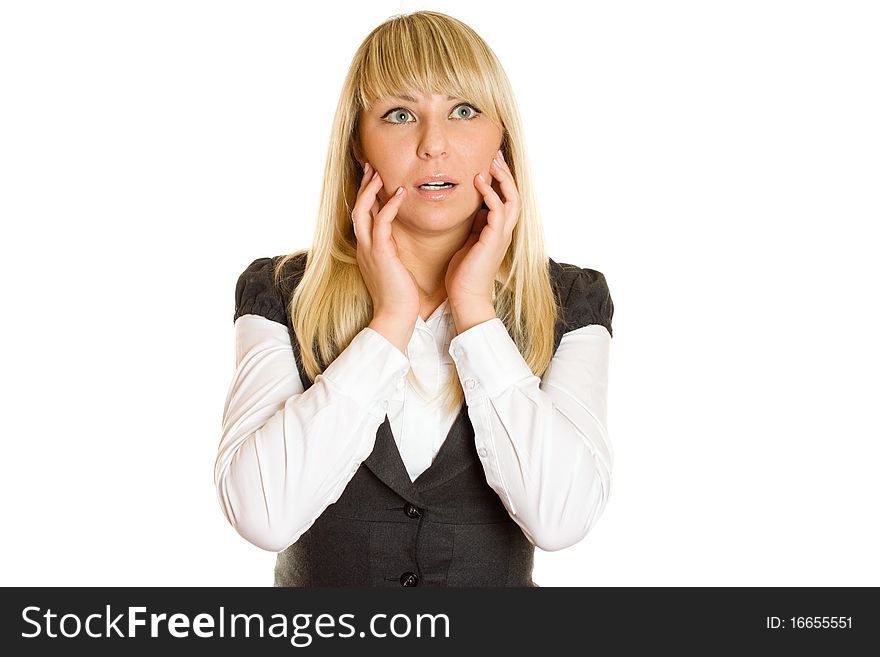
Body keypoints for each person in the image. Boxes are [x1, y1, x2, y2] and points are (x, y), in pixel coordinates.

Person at [214, 10, 614, 587]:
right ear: (358, 144)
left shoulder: (572, 299)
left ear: (502, 137)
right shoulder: (279, 291)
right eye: (400, 115)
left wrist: (475, 312)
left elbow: (561, 520)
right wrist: (391, 320)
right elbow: (263, 516)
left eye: (463, 111)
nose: (434, 145)